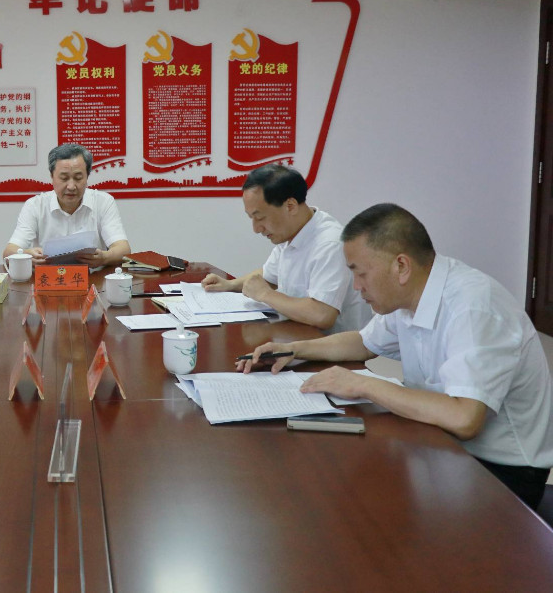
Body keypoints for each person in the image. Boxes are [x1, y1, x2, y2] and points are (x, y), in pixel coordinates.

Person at [241, 203, 553, 508]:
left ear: (401, 266)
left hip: (502, 470)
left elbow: (465, 419)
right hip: (442, 441)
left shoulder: (473, 308)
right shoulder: (410, 293)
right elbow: (363, 342)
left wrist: (364, 385)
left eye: (361, 274)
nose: (356, 286)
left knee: (362, 501)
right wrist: (295, 350)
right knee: (340, 479)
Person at [201, 164, 370, 332]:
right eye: (251, 218)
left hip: (332, 345)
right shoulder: (291, 231)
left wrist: (266, 295)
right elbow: (269, 275)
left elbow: (322, 315)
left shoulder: (329, 244)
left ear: (290, 206)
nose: (256, 229)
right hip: (296, 335)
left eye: (260, 217)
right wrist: (230, 284)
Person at [3, 143, 130, 268]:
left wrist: (104, 258)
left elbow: (124, 250)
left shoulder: (103, 202)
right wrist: (27, 256)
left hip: (93, 279)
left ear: (87, 177)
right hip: (48, 279)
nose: (71, 186)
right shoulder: (35, 206)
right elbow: (9, 252)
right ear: (52, 177)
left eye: (78, 178)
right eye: (64, 178)